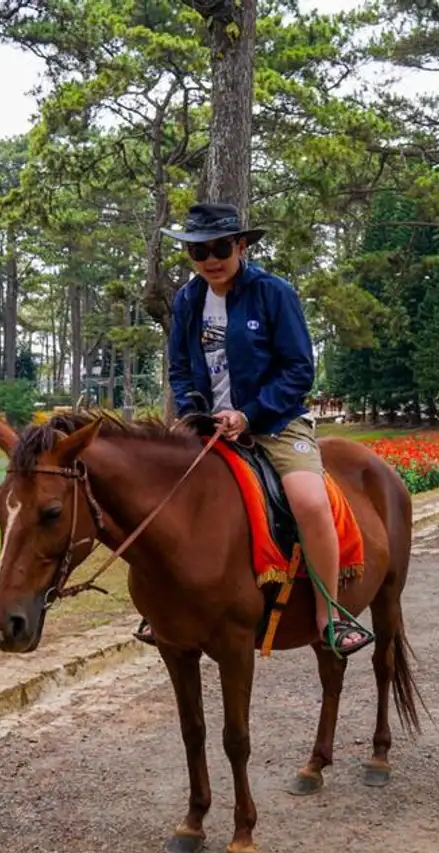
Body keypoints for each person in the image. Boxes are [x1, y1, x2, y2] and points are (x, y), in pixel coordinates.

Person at [144, 201, 372, 657]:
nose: (210, 259)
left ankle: (330, 615)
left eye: (220, 247)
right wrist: (194, 410)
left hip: (275, 423)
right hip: (205, 426)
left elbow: (297, 369)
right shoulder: (188, 300)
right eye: (198, 251)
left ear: (240, 245)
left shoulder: (274, 293)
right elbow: (181, 369)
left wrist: (248, 414)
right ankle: (162, 608)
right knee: (159, 497)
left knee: (309, 502)